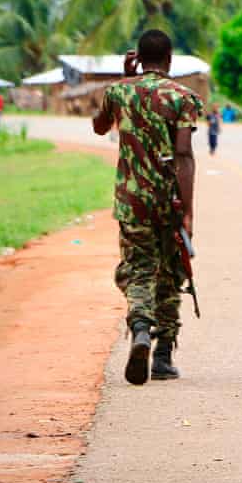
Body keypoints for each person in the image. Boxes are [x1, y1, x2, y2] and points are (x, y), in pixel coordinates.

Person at [92, 29, 203, 385]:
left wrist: (124, 77)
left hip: (132, 201)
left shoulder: (119, 92)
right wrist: (187, 210)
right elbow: (184, 154)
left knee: (139, 269)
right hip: (168, 201)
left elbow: (98, 127)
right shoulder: (182, 97)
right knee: (171, 272)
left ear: (138, 57)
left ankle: (141, 327)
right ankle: (163, 356)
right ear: (170, 59)